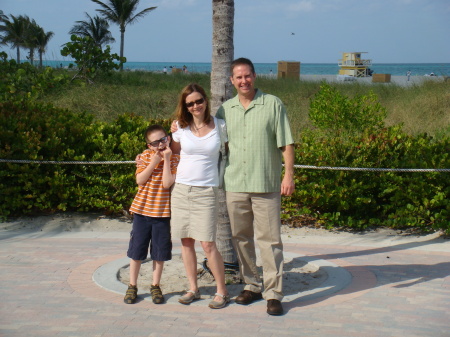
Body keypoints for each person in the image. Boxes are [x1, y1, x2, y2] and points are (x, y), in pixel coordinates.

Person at [216, 57, 295, 316]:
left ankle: (273, 294)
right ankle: (252, 285)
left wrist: (289, 175)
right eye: (238, 77)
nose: (243, 81)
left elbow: (286, 143)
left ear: (254, 76)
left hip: (266, 183)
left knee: (270, 241)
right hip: (235, 183)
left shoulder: (273, 104)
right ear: (231, 81)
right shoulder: (224, 111)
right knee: (241, 238)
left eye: (247, 75)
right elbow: (209, 140)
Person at [170, 83, 230, 309]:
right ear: (185, 107)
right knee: (186, 241)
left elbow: (230, 152)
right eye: (190, 103)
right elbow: (169, 152)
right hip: (182, 190)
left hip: (207, 191)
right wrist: (142, 156)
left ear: (205, 100)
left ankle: (221, 291)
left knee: (207, 244)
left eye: (199, 101)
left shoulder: (221, 126)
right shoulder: (179, 129)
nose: (196, 106)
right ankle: (193, 288)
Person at [124, 125, 180, 305]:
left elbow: (167, 183)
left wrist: (167, 158)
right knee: (137, 250)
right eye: (155, 143)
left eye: (163, 140)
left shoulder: (174, 159)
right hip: (142, 211)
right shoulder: (145, 156)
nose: (160, 145)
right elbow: (140, 180)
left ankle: (155, 285)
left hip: (162, 213)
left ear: (168, 139)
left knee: (159, 252)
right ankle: (132, 285)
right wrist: (154, 162)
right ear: (149, 146)